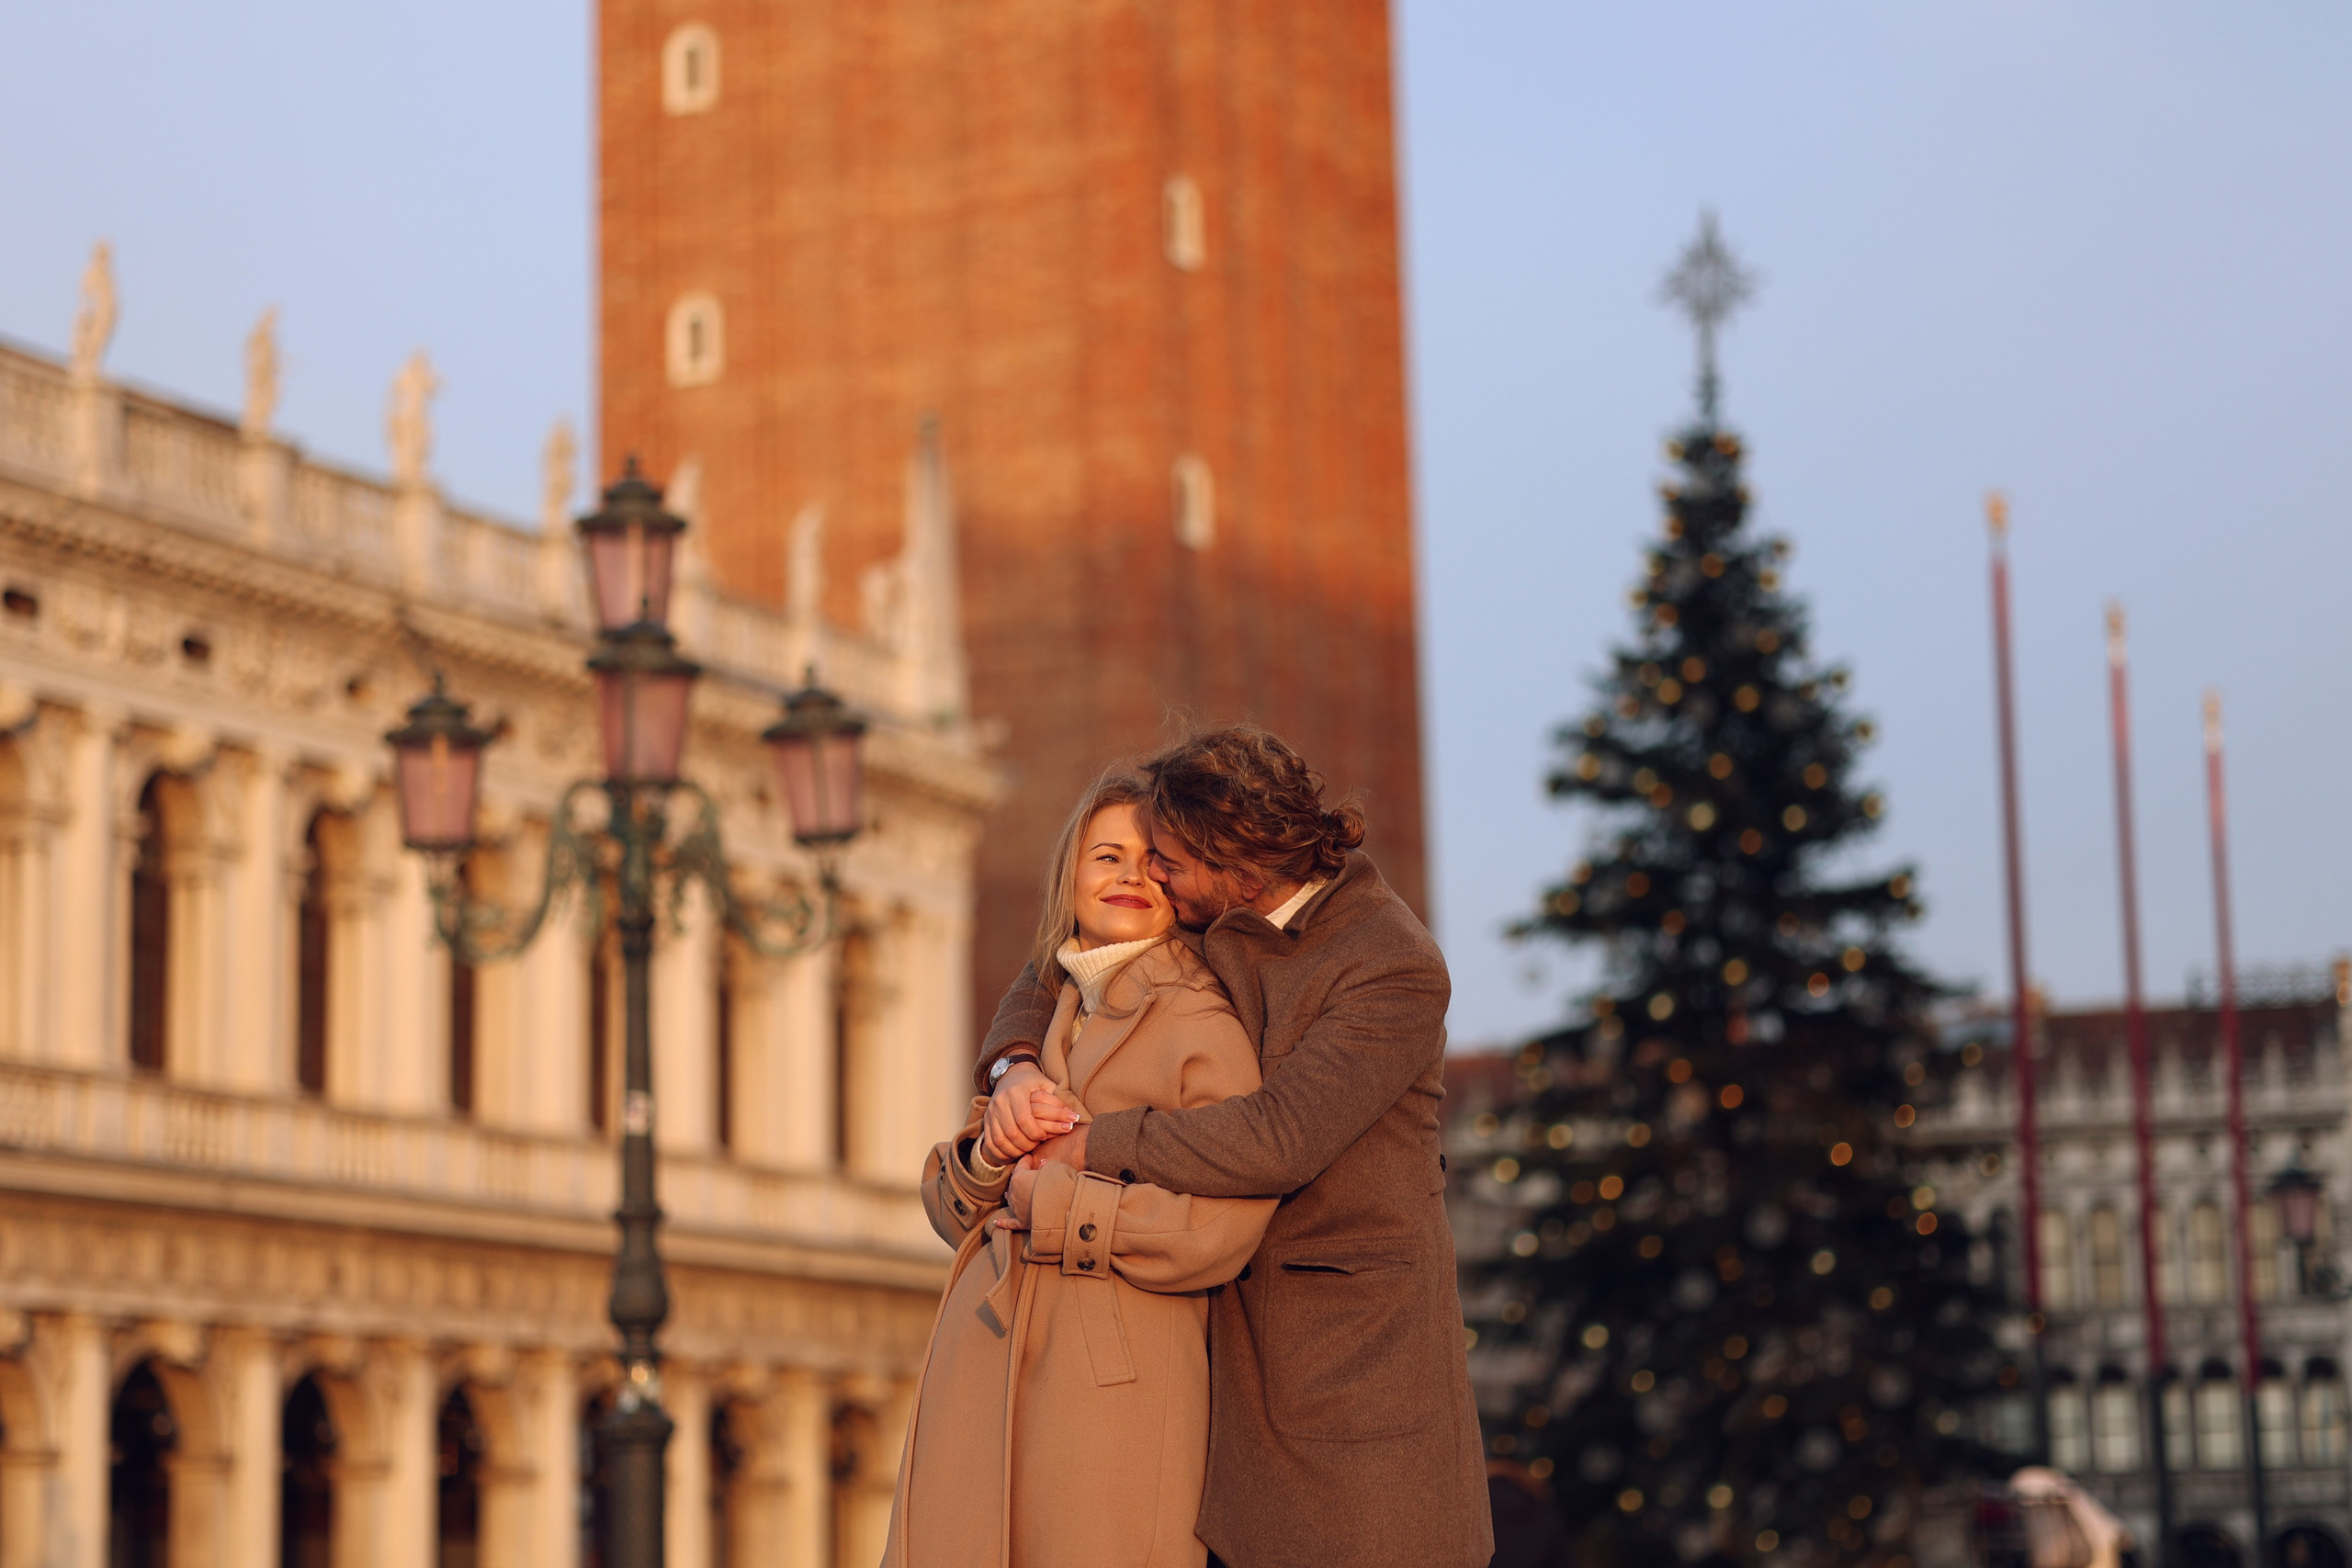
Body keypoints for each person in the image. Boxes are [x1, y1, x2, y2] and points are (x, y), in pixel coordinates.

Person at [976, 727, 1493, 1568]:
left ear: (1235, 862)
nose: (1153, 882)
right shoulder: (1217, 915)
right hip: (1198, 1355)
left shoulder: (1390, 962)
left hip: (1348, 1378)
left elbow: (1278, 1137)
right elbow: (1055, 961)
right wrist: (1013, 1064)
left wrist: (1089, 1144)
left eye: (1169, 863)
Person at [883, 773, 1276, 1568]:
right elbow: (950, 1203)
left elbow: (1223, 1225)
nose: (1130, 875)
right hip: (988, 1369)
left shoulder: (1202, 1021)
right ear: (1070, 875)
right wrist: (991, 1147)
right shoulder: (1048, 1016)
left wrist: (1055, 1205)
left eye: (1153, 858)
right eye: (1107, 855)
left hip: (1116, 1393)